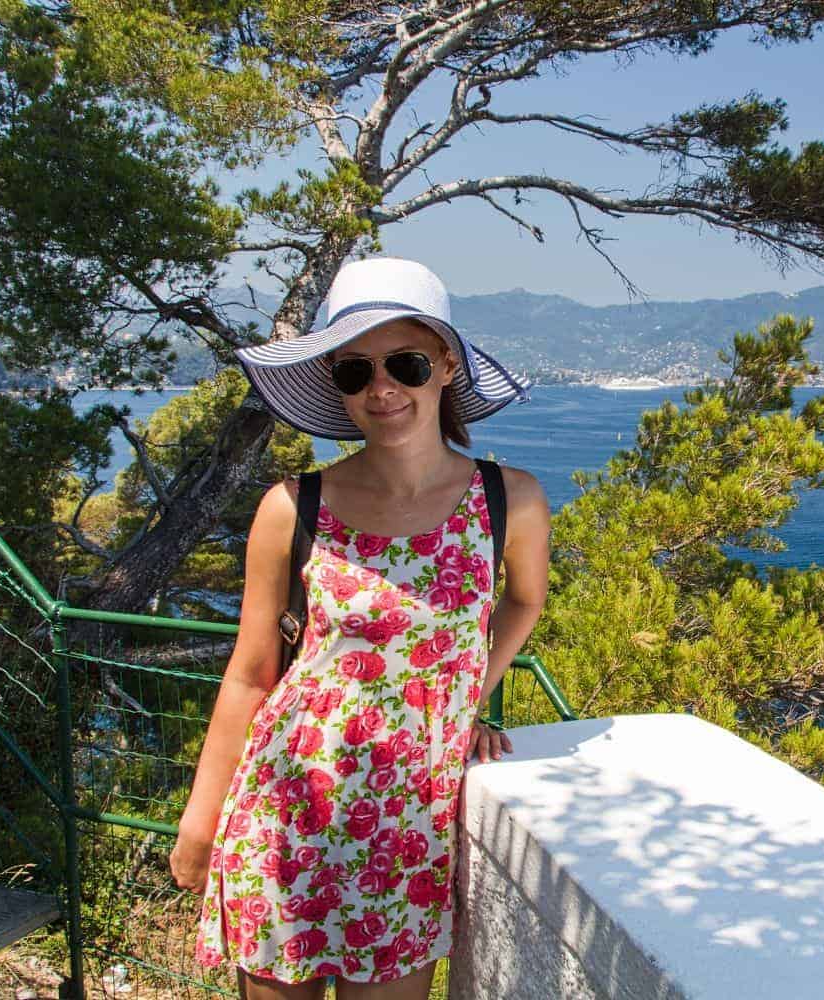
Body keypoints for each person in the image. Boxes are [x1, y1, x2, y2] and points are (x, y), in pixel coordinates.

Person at [169, 257, 549, 999]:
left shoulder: (511, 501)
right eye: (354, 372)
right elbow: (251, 673)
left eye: (404, 363)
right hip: (283, 811)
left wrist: (463, 698)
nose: (382, 388)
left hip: (405, 832)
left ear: (444, 366)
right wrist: (200, 818)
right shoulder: (292, 506)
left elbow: (522, 602)